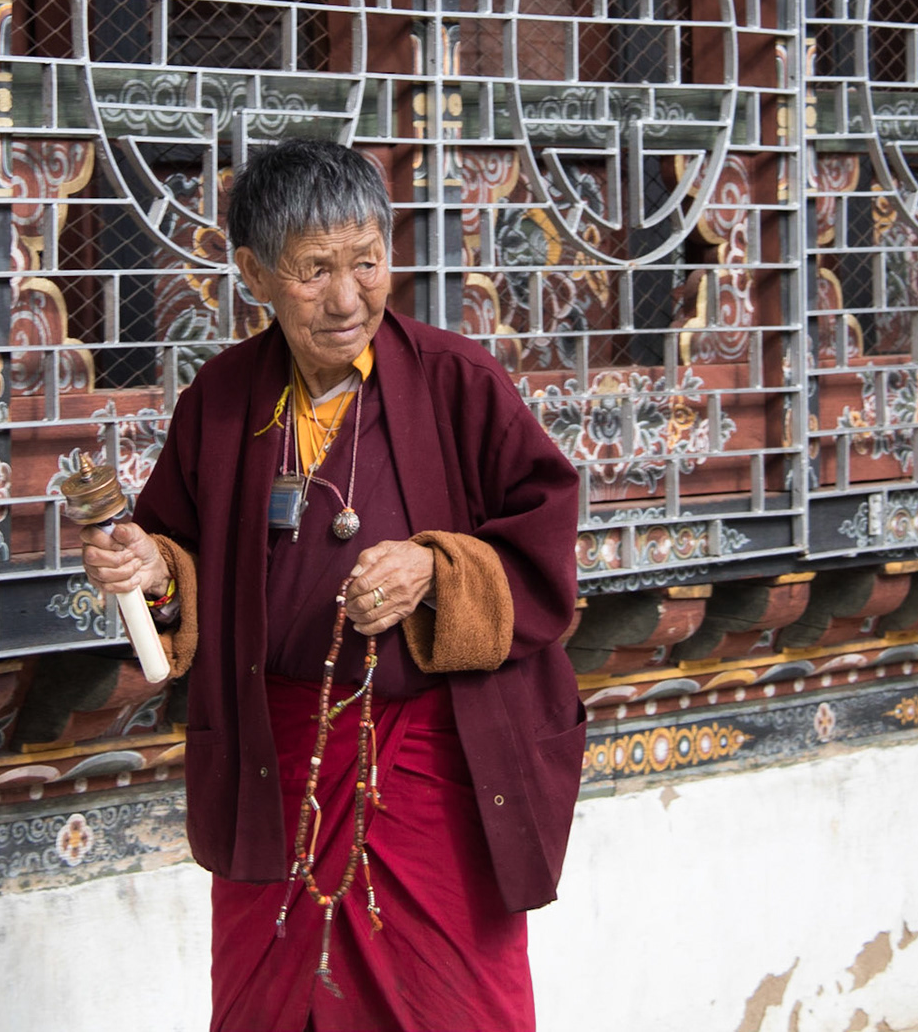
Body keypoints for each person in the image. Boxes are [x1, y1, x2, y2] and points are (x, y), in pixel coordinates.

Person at [79, 138, 584, 1032]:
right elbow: (176, 555)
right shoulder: (222, 400)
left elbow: (544, 550)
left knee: (450, 1007)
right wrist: (150, 569)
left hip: (429, 765)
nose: (348, 298)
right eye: (315, 270)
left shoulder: (457, 383)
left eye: (367, 262)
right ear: (254, 273)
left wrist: (437, 569)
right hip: (272, 768)